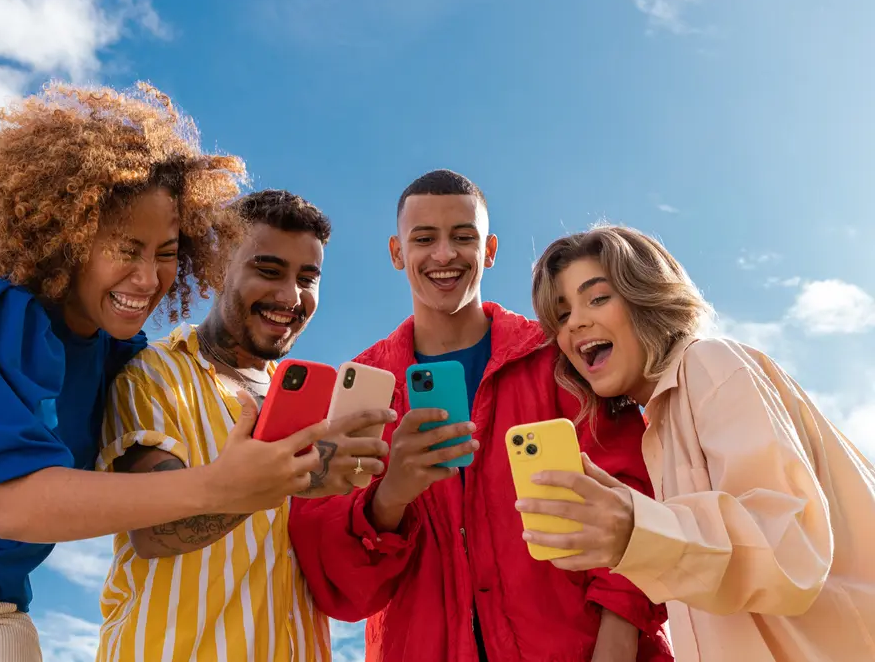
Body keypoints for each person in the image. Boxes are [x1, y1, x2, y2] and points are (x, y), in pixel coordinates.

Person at [0, 84, 333, 662]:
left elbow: (152, 495)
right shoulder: (1, 313)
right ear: (70, 238)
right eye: (124, 247)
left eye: (165, 252)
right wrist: (225, 486)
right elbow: (16, 510)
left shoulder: (120, 362)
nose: (148, 277)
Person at [289, 170, 673, 662]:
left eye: (463, 237)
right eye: (424, 238)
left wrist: (615, 647)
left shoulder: (558, 358)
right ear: (396, 252)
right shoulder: (361, 389)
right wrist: (389, 499)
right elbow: (338, 588)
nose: (444, 254)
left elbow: (636, 497)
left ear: (489, 250)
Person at [526, 224, 875, 662]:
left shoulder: (709, 364)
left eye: (598, 298)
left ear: (645, 297)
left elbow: (789, 546)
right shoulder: (659, 429)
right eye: (561, 315)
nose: (576, 321)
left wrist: (638, 531)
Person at [96, 189, 396, 662]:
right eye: (269, 270)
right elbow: (154, 533)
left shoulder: (318, 405)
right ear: (217, 268)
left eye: (308, 278)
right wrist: (297, 477)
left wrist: (387, 494)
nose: (290, 296)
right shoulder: (152, 374)